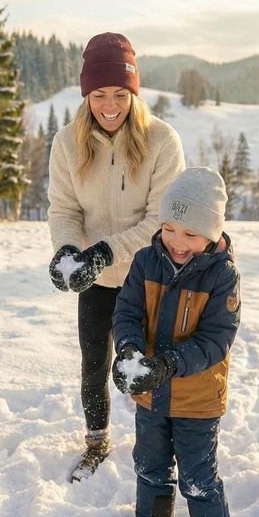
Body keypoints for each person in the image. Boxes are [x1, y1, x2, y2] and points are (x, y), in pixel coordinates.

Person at [47, 31, 186, 482]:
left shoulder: (162, 141)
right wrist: (68, 250)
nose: (110, 105)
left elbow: (161, 221)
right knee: (95, 363)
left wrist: (104, 252)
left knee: (154, 362)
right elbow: (64, 210)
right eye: (99, 94)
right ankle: (96, 440)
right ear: (87, 95)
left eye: (121, 94)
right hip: (97, 281)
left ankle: (164, 439)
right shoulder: (68, 143)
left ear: (134, 93)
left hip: (150, 276)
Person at [110, 168, 240, 517]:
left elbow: (217, 339)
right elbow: (127, 311)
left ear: (212, 233)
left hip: (197, 399)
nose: (177, 242)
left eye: (190, 233)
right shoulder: (146, 261)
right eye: (169, 228)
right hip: (151, 394)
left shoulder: (222, 275)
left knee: (198, 475)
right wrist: (129, 351)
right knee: (149, 462)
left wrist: (168, 364)